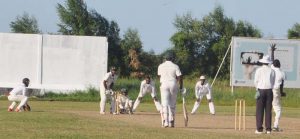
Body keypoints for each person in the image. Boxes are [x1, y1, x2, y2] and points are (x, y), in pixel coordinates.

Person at [157, 51, 183, 128]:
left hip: (164, 84)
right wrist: (181, 87)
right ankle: (171, 121)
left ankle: (165, 122)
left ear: (165, 58)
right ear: (172, 58)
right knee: (172, 104)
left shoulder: (160, 66)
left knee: (164, 104)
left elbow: (159, 76)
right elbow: (180, 77)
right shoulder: (175, 66)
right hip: (173, 84)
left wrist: (162, 82)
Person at [254, 55, 275, 134]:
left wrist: (257, 89)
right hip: (269, 90)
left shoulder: (259, 70)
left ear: (262, 62)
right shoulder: (272, 71)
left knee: (259, 110)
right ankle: (268, 129)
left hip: (261, 90)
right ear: (268, 63)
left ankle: (259, 129)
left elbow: (256, 81)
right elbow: (273, 82)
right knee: (268, 110)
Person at [271, 59, 285, 132]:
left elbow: (272, 60)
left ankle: (265, 126)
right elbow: (281, 85)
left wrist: (272, 51)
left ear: (273, 64)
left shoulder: (271, 69)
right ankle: (275, 126)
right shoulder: (282, 73)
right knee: (278, 109)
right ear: (280, 65)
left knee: (267, 108)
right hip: (276, 92)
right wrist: (282, 93)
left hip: (268, 90)